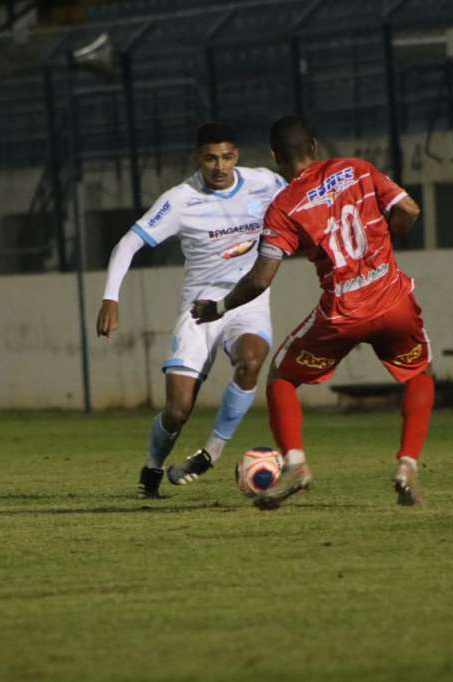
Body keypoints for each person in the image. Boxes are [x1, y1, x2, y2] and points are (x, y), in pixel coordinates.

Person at [192, 114, 434, 510]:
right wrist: (385, 242)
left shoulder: (284, 206)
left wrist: (219, 306)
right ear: (315, 147)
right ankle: (407, 465)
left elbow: (260, 279)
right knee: (420, 375)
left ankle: (297, 466)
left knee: (281, 377)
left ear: (275, 156)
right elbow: (409, 209)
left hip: (343, 312)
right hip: (393, 300)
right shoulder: (357, 169)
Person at [96, 122, 287, 498]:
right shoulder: (180, 200)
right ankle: (152, 467)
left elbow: (304, 203)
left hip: (247, 300)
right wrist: (110, 298)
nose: (220, 167)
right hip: (200, 309)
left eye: (227, 157)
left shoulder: (265, 183)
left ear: (236, 155)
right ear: (197, 158)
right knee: (178, 411)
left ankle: (210, 454)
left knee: (252, 360)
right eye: (211, 158)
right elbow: (128, 244)